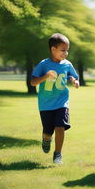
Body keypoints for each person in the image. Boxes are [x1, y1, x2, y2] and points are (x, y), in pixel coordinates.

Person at [31, 33, 79, 164]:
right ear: (53, 49)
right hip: (45, 104)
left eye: (67, 50)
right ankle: (46, 139)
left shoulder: (67, 64)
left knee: (60, 127)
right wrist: (45, 76)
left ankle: (58, 154)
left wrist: (75, 81)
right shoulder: (44, 64)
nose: (66, 53)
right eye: (63, 50)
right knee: (48, 132)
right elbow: (33, 83)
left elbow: (73, 77)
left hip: (62, 102)